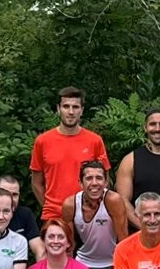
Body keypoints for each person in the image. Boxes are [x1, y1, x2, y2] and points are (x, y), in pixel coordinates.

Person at [62, 160, 126, 269]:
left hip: (113, 261)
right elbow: (69, 245)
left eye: (99, 178)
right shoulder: (70, 204)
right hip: (84, 261)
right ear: (80, 183)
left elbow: (124, 241)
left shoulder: (113, 200)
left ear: (106, 182)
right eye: (89, 178)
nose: (94, 182)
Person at [30, 86, 109, 220]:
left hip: (89, 214)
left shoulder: (95, 141)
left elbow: (105, 179)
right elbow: (36, 182)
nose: (71, 112)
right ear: (58, 109)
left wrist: (93, 205)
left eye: (75, 107)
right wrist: (48, 206)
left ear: (82, 110)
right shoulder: (42, 141)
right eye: (66, 106)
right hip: (54, 215)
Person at [115, 108, 160, 226]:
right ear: (145, 127)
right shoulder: (130, 160)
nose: (157, 129)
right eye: (152, 124)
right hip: (140, 232)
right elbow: (122, 201)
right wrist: (146, 228)